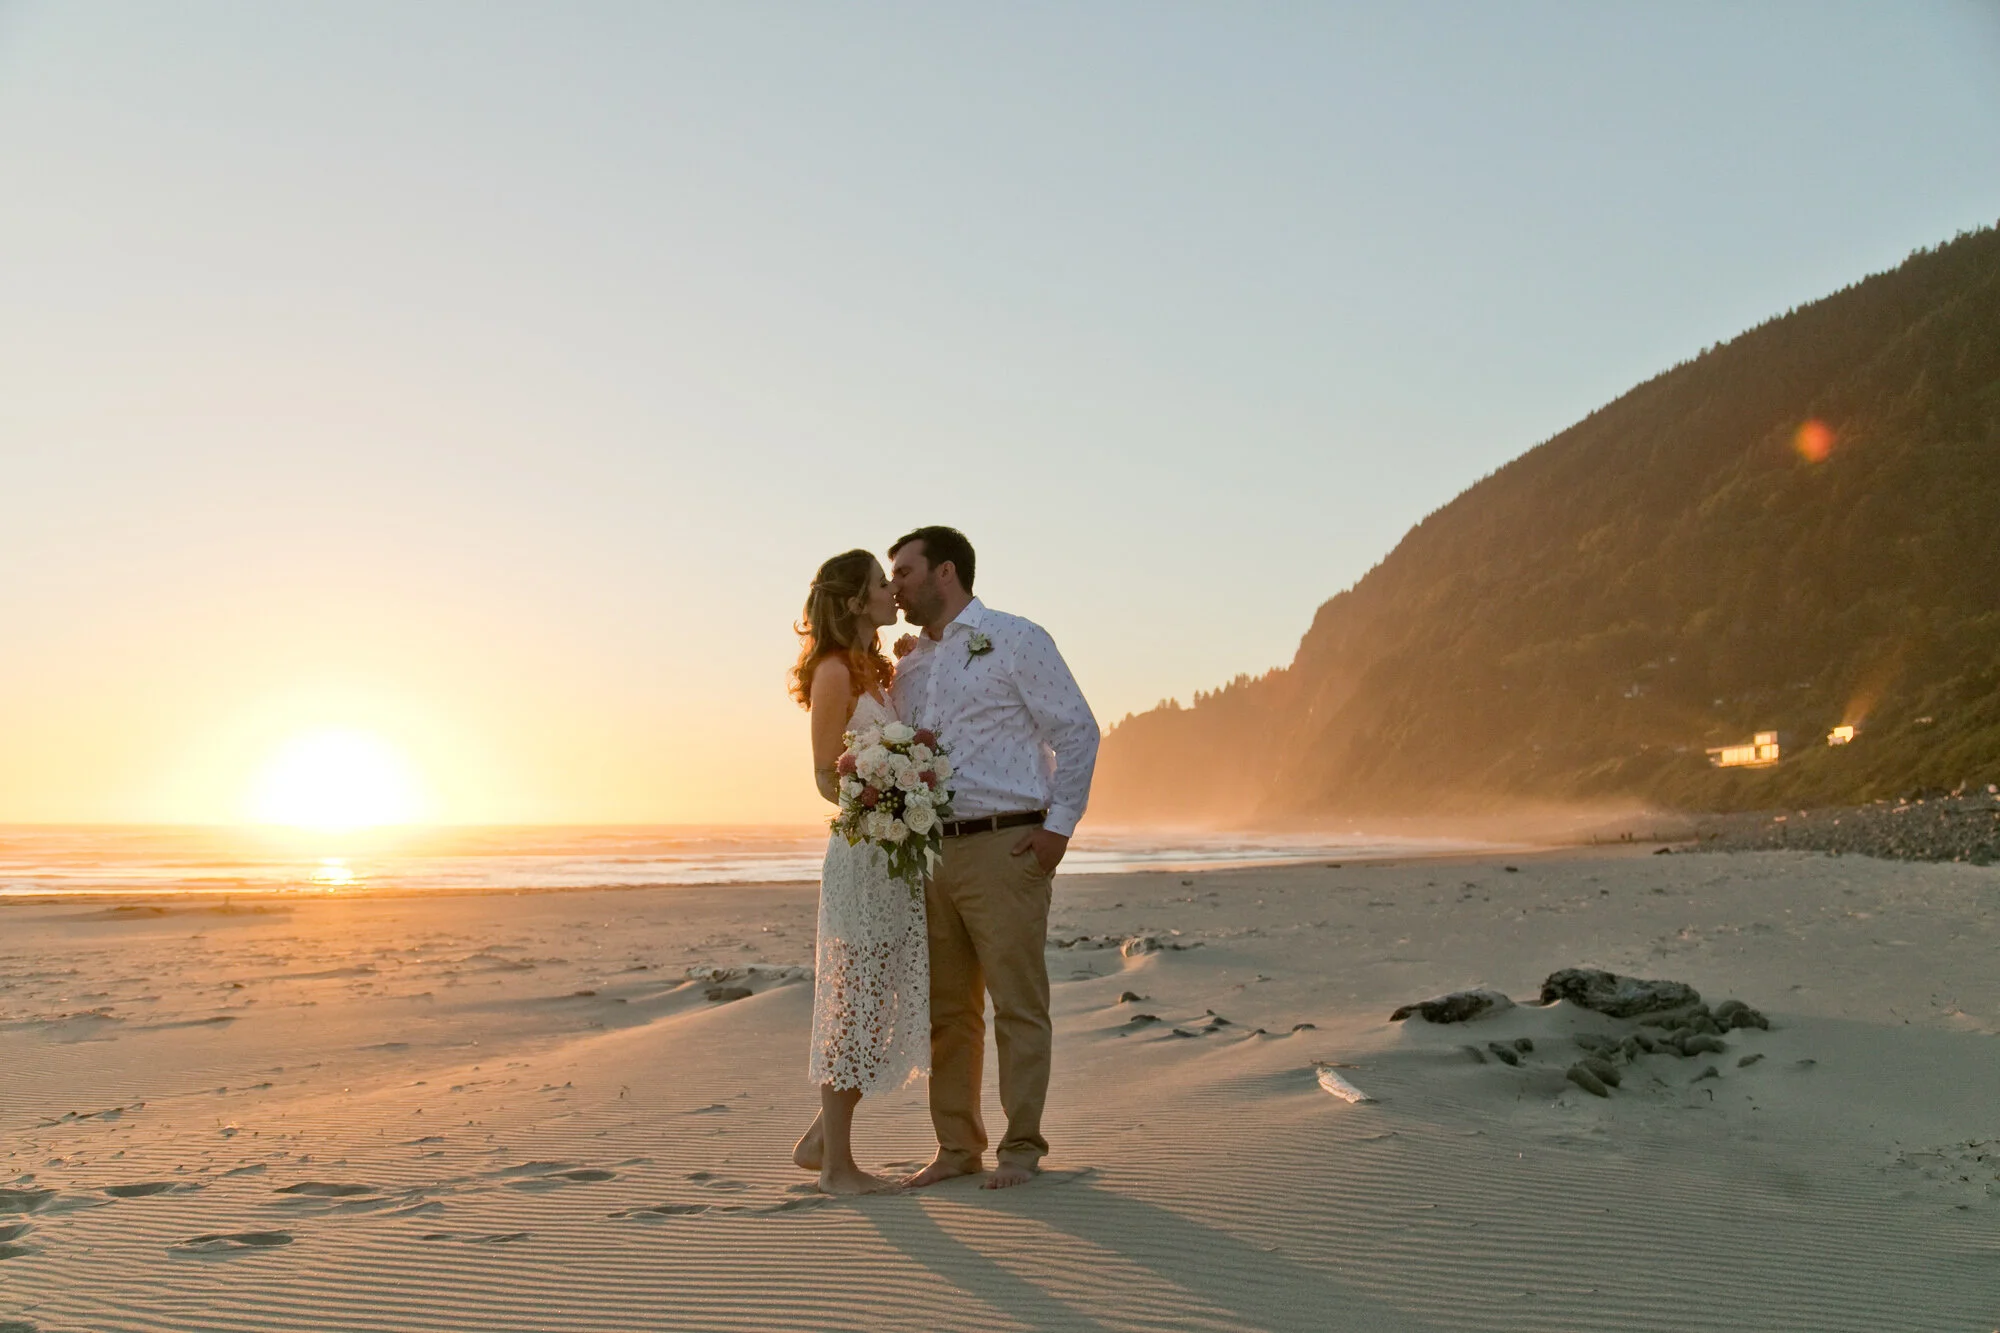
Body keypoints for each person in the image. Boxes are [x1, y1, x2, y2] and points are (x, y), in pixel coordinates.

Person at [886, 526, 1099, 1191]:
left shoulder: (1017, 638)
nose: (895, 585)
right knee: (948, 1011)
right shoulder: (911, 665)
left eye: (904, 572)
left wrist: (1058, 829)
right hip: (932, 852)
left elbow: (1077, 729)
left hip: (1007, 845)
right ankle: (956, 1146)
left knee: (1017, 1002)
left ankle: (1021, 1149)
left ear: (945, 572)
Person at [787, 549, 928, 1195]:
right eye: (880, 583)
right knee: (852, 1002)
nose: (891, 592)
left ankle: (822, 1138)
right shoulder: (835, 672)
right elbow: (824, 773)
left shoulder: (879, 670)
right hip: (860, 853)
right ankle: (838, 1168)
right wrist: (881, 799)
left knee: (876, 1004)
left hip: (893, 857)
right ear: (853, 600)